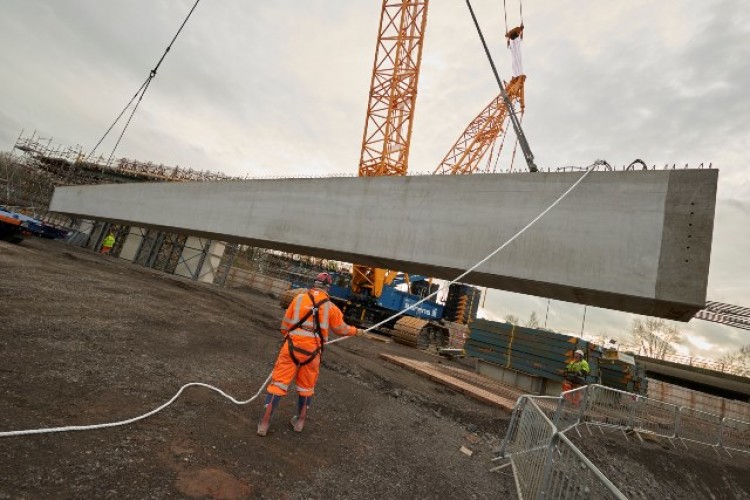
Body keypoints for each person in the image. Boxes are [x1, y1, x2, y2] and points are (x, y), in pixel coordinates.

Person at [257, 272, 364, 436]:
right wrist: (356, 331)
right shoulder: (330, 307)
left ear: (314, 283)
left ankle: (264, 423)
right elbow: (341, 329)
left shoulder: (298, 299)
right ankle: (299, 422)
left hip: (291, 346)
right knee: (306, 388)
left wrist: (289, 337)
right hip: (313, 352)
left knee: (278, 384)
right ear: (328, 287)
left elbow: (285, 324)